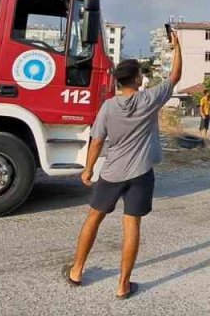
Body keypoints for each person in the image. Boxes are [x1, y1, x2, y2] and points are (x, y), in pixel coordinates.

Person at [64, 31, 182, 300]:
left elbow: (96, 141)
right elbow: (174, 76)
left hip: (112, 173)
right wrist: (178, 47)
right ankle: (123, 285)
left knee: (94, 217)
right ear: (138, 80)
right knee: (132, 225)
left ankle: (77, 270)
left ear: (119, 80)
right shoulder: (148, 100)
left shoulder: (108, 107)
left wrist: (88, 169)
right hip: (141, 174)